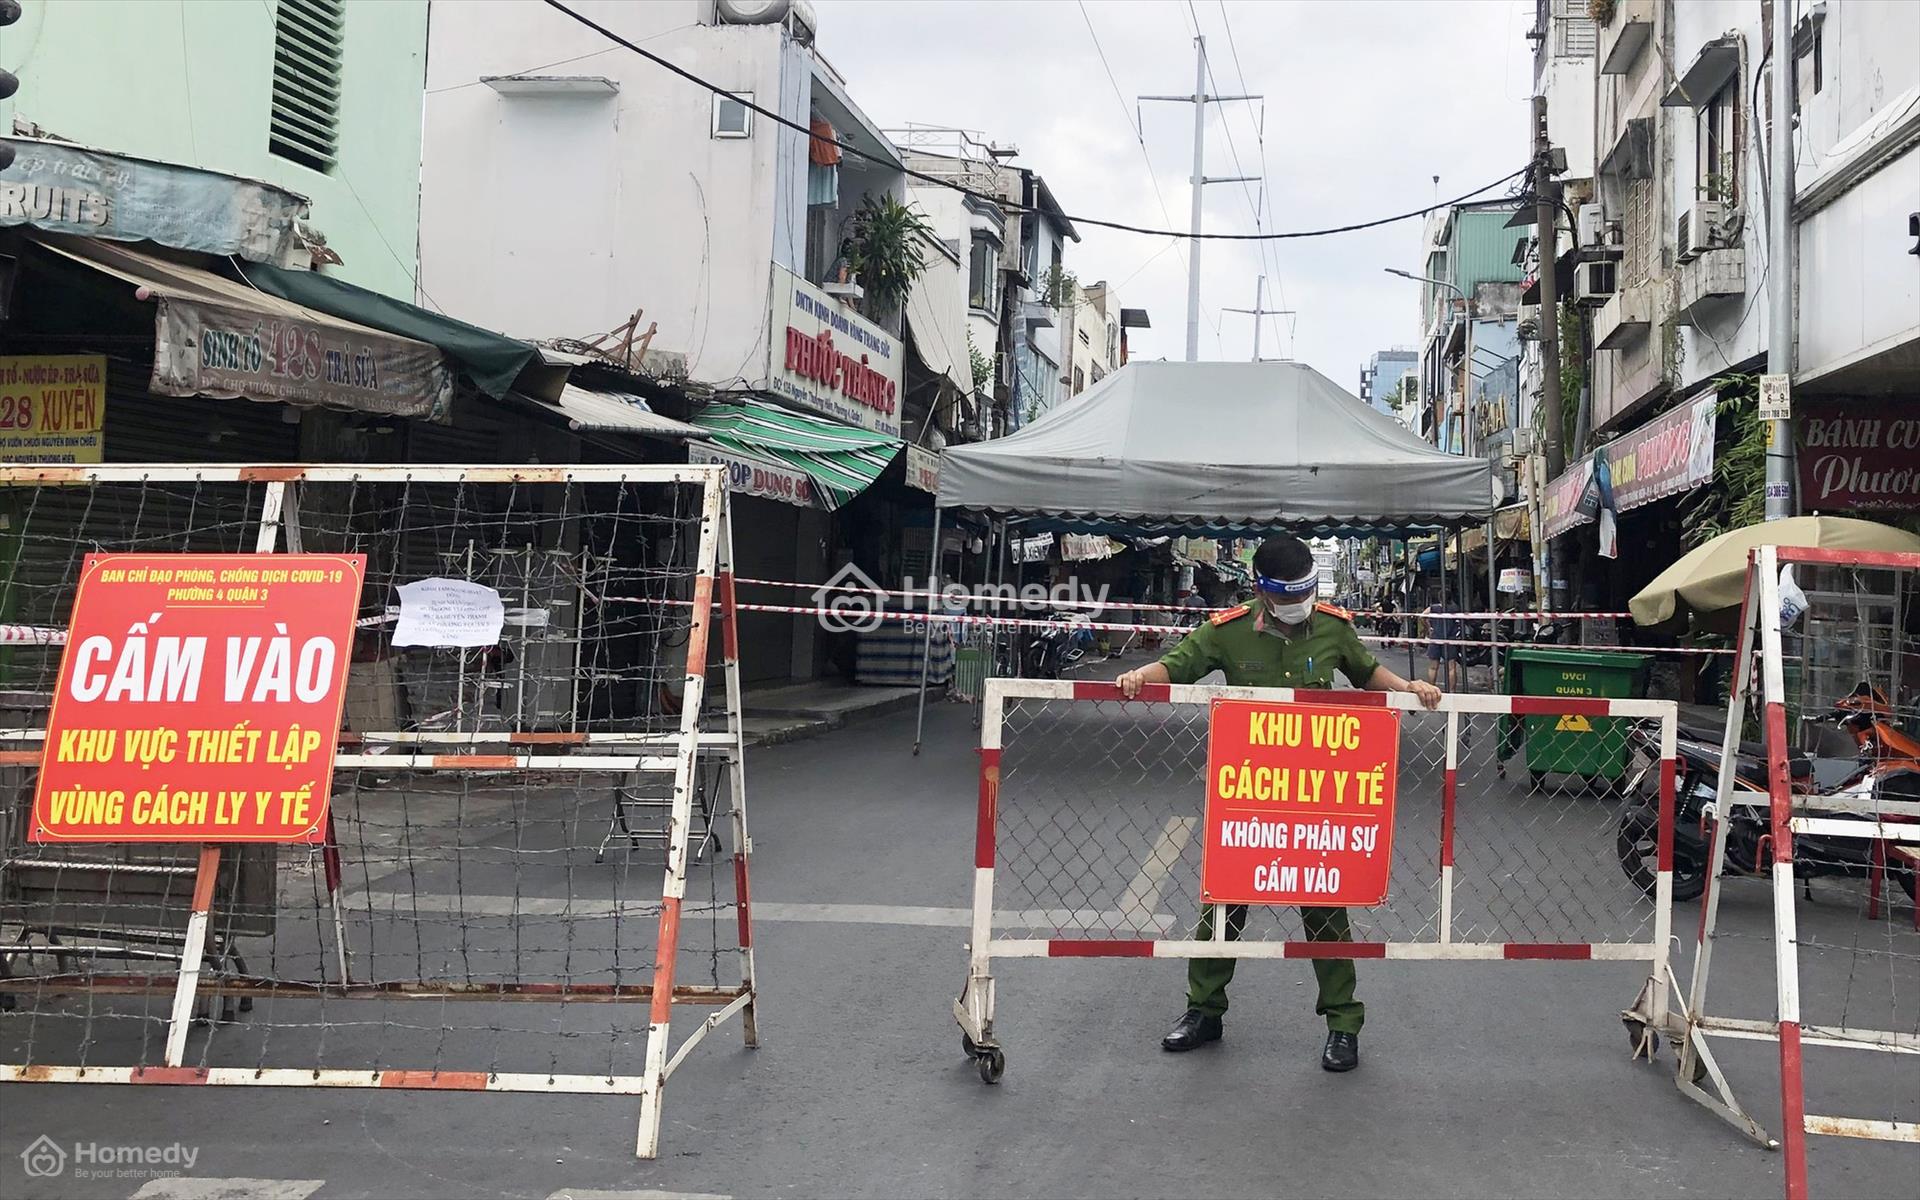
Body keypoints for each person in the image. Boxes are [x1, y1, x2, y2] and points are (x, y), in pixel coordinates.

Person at [1116, 534, 1443, 1073]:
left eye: (1305, 591)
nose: (1299, 603)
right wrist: (1137, 677)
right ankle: (1204, 1011)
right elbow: (1178, 665)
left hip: (1315, 797)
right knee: (1223, 902)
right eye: (1288, 595)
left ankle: (1343, 1024)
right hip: (1248, 795)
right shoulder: (1230, 631)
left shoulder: (1334, 626)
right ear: (1261, 591)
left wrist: (1408, 686)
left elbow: (1365, 673)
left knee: (1326, 908)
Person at [1424, 601, 1465, 693]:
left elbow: (1423, 615)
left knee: (1433, 667)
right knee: (1451, 668)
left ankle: (1431, 689)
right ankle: (1452, 691)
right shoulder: (1455, 609)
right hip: (1450, 640)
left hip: (1436, 638)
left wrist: (1429, 627)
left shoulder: (1433, 608)